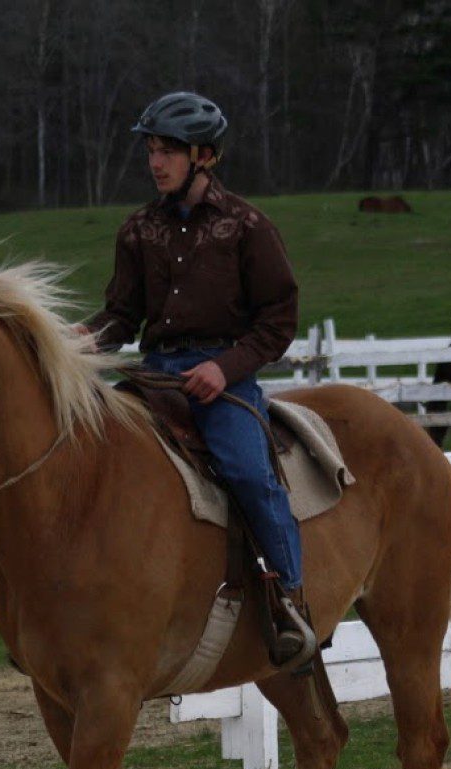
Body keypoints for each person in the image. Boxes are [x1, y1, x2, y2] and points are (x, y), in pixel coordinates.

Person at [85, 91, 315, 668]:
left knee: (247, 471)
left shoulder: (247, 227)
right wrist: (82, 339)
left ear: (204, 156)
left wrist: (225, 368)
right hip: (154, 377)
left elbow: (278, 321)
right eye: (151, 150)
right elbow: (121, 315)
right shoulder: (137, 230)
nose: (155, 162)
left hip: (223, 379)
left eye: (168, 151)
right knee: (89, 451)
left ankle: (290, 601)